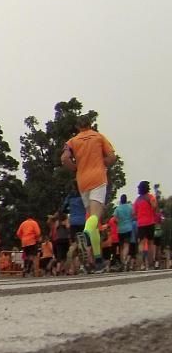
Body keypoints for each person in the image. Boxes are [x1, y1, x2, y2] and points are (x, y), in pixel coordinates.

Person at [61, 113, 117, 273]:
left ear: (78, 127)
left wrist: (75, 168)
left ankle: (98, 261)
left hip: (82, 181)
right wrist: (101, 162)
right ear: (90, 124)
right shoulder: (99, 137)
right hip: (98, 179)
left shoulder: (72, 141)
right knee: (95, 217)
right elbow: (112, 157)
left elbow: (64, 158)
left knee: (92, 221)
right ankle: (84, 237)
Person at [133, 181, 159, 271]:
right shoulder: (150, 197)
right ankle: (151, 264)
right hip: (150, 222)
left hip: (141, 224)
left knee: (141, 244)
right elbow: (154, 206)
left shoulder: (137, 200)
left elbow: (134, 213)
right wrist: (152, 211)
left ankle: (139, 264)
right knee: (151, 243)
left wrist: (139, 216)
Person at [114, 194, 134, 271]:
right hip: (128, 228)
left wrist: (119, 222)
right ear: (126, 199)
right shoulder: (130, 207)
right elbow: (133, 215)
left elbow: (115, 219)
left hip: (120, 229)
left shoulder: (117, 209)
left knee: (121, 246)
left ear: (120, 200)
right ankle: (125, 260)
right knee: (126, 245)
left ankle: (122, 261)